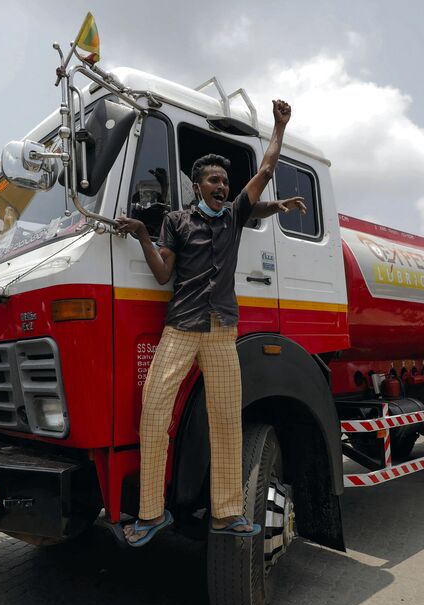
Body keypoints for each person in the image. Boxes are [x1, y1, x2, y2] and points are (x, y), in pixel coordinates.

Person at [116, 99, 307, 547]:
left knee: (225, 421)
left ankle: (226, 513)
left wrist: (279, 126)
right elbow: (163, 274)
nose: (221, 185)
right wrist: (142, 234)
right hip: (181, 328)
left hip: (222, 332)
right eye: (213, 180)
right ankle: (151, 513)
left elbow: (266, 169)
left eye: (224, 180)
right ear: (197, 185)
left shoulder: (235, 216)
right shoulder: (176, 221)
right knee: (153, 414)